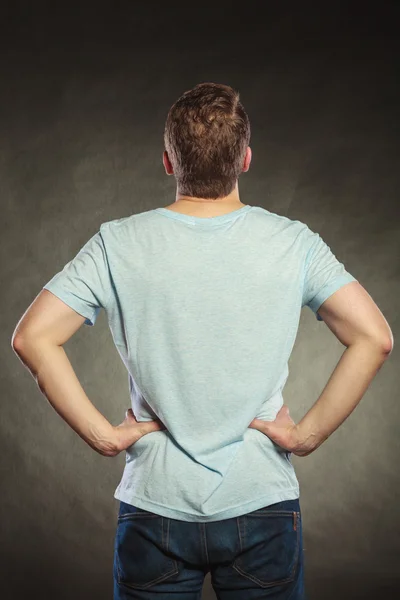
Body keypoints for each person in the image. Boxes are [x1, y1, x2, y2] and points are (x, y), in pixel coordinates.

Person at [12, 82, 393, 600]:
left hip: (155, 505)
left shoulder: (117, 242)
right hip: (261, 501)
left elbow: (32, 337)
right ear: (246, 159)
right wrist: (306, 436)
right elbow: (374, 337)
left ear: (168, 162)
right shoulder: (293, 243)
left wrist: (104, 436)